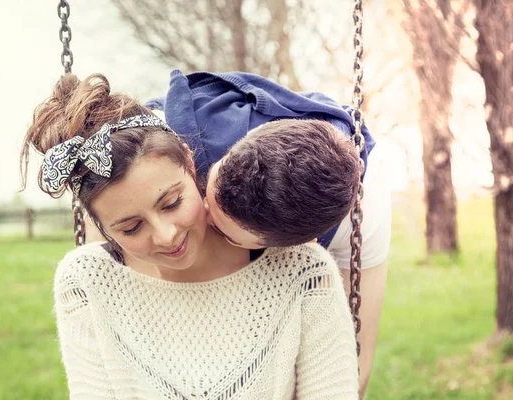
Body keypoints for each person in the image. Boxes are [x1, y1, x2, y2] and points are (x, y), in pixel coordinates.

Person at [20, 73, 359, 399]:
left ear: (190, 163)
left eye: (171, 202)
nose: (166, 236)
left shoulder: (303, 273)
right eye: (131, 227)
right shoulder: (86, 283)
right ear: (101, 228)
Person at [143, 70, 392, 397]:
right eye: (208, 190)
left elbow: (355, 359)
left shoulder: (364, 216)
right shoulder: (167, 140)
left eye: (223, 230)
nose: (202, 214)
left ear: (300, 243)